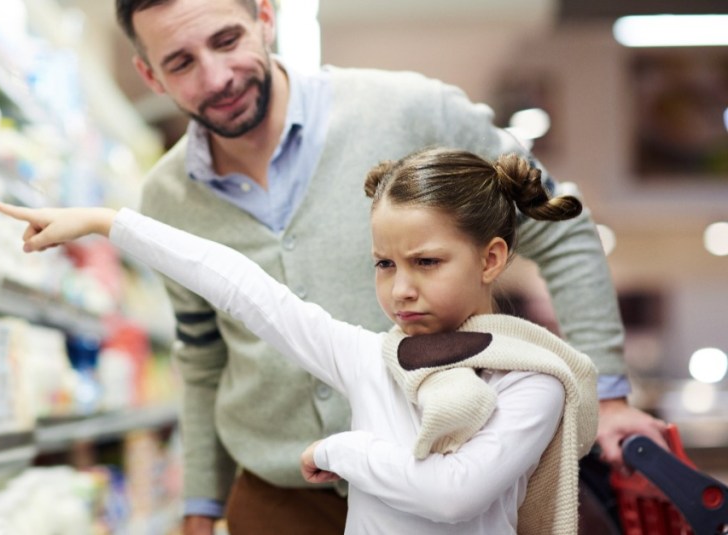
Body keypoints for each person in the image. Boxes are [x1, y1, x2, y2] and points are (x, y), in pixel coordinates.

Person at [114, 0, 667, 532]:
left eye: (226, 40)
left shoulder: (409, 109)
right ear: (151, 75)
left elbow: (562, 227)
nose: (215, 78)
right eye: (181, 62)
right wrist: (200, 502)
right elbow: (204, 357)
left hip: (436, 478)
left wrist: (610, 397)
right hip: (279, 499)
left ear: (264, 17)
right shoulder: (165, 198)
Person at [0, 147, 600, 534]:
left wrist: (340, 451)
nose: (401, 289)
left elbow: (452, 496)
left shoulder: (533, 382)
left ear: (491, 258)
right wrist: (107, 222)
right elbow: (244, 287)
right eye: (384, 265)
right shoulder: (373, 358)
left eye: (427, 262)